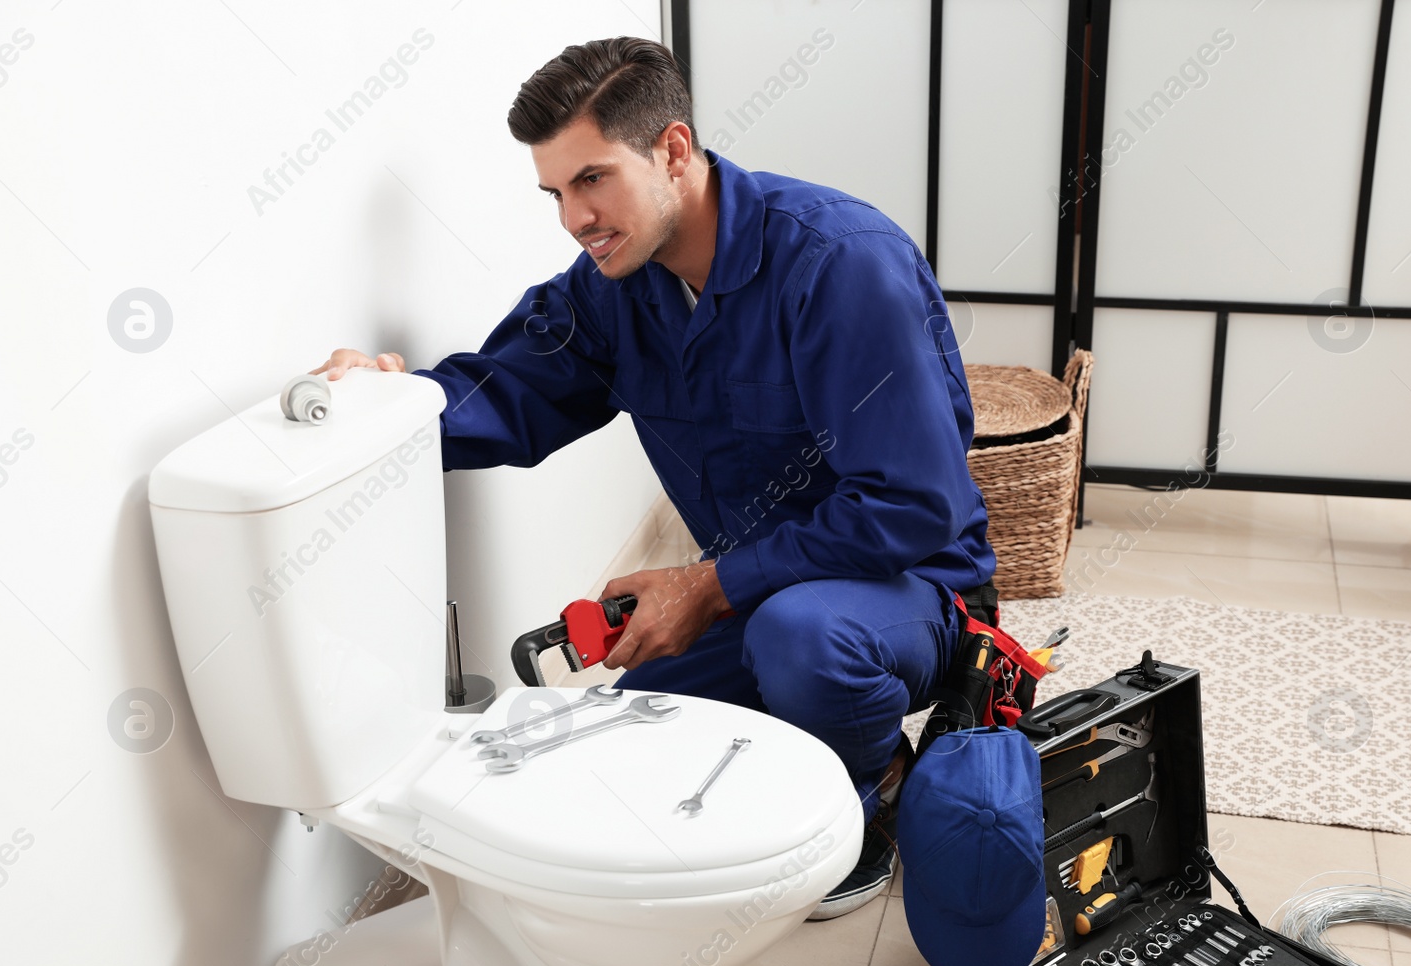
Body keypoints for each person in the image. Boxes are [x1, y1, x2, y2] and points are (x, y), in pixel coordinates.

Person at [313, 36, 996, 920]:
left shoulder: (839, 265)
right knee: (623, 744)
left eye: (593, 179)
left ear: (673, 150)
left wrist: (705, 585)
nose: (574, 217)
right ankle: (822, 732)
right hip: (759, 588)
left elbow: (914, 506)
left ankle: (868, 803)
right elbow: (510, 389)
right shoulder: (614, 285)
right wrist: (387, 405)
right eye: (556, 192)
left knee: (805, 640)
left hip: (907, 589)